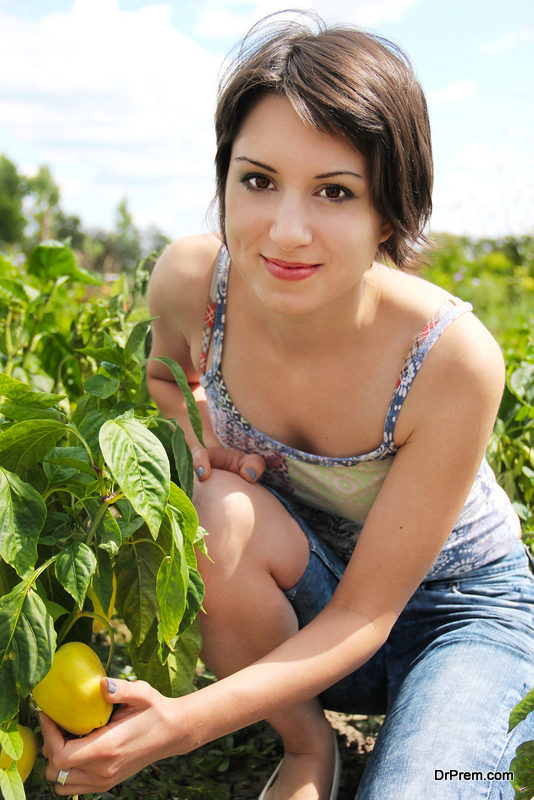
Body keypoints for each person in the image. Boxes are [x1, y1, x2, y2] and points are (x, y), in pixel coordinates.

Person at [41, 11, 534, 799]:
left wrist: (185, 721)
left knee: (435, 784)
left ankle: (450, 730)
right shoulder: (195, 286)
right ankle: (309, 749)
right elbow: (165, 382)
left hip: (461, 615)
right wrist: (195, 443)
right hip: (309, 607)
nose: (286, 229)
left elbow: (369, 615)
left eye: (334, 191)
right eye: (258, 180)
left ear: (390, 212)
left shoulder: (448, 357)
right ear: (224, 177)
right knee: (211, 510)